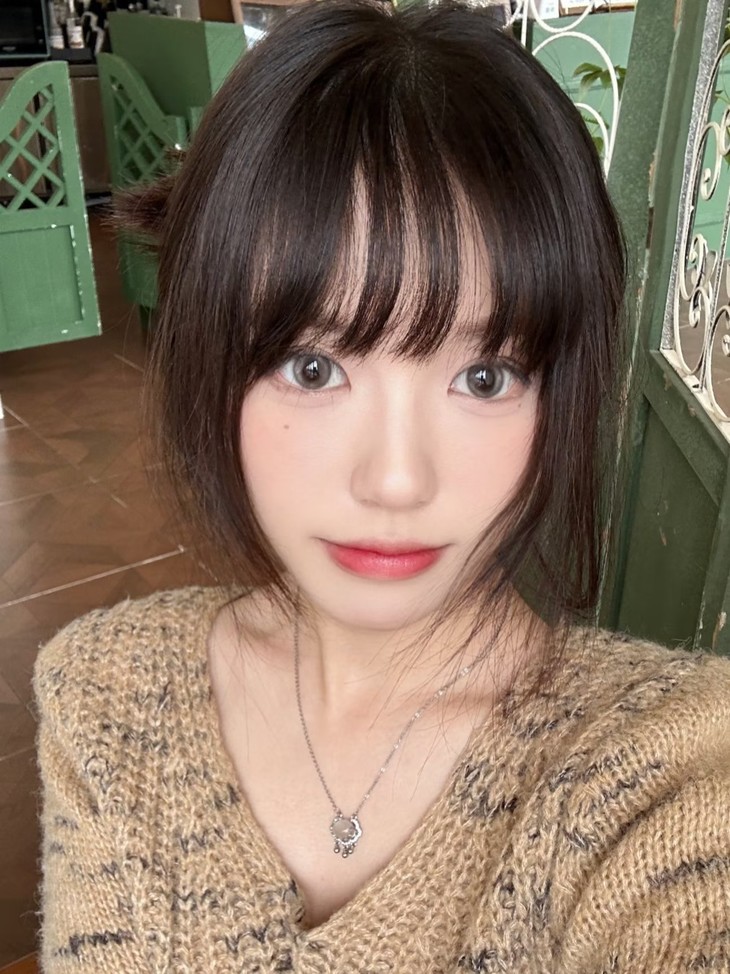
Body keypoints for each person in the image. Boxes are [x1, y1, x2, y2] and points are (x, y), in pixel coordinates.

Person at [33, 1, 730, 971]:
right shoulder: (104, 695)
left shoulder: (668, 772)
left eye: (484, 377)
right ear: (209, 365)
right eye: (313, 367)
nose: (397, 480)